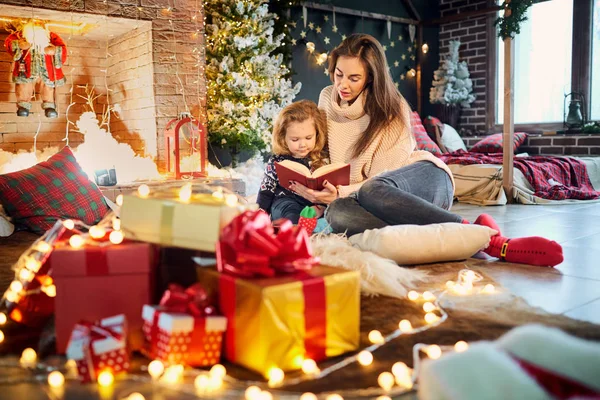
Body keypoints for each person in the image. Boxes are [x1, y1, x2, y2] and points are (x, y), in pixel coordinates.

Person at [288, 33, 563, 267]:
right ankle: (450, 236)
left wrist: (341, 191)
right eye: (338, 74)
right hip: (367, 198)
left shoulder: (391, 107)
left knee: (372, 190)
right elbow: (325, 155)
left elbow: (384, 178)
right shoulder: (326, 98)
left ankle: (489, 240)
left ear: (371, 78)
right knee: (338, 213)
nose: (343, 85)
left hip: (420, 179)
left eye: (354, 78)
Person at [256, 100, 328, 224]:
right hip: (285, 202)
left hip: (313, 204)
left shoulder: (322, 159)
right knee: (290, 211)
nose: (302, 144)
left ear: (317, 134)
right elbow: (266, 192)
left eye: (308, 138)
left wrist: (321, 206)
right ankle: (295, 228)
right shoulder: (277, 161)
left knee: (326, 214)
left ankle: (312, 225)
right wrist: (259, 214)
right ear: (283, 138)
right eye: (295, 139)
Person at [4, 21, 67, 118]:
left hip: (46, 68)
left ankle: (49, 105)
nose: (36, 24)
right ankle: (23, 105)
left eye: (38, 24)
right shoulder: (21, 35)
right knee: (24, 85)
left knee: (48, 86)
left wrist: (54, 50)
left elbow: (62, 47)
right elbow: (9, 43)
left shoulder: (50, 36)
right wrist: (19, 45)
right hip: (26, 67)